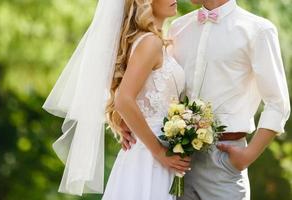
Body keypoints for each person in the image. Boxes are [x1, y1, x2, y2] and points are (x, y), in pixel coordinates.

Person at [121, 0, 291, 199]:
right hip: (177, 158)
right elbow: (158, 82)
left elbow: (278, 104)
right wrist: (124, 120)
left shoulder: (258, 30)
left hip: (224, 159)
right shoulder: (178, 27)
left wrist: (247, 155)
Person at [43, 0, 190, 198]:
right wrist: (159, 152)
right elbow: (123, 99)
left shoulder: (150, 41)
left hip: (149, 151)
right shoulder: (149, 42)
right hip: (149, 158)